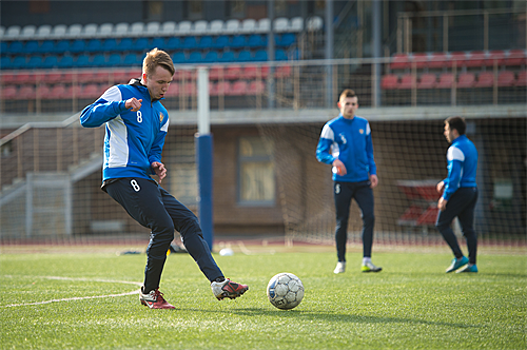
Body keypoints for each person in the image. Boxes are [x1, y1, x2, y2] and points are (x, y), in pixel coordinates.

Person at [80, 48, 248, 309]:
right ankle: (149, 293)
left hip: (142, 178)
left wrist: (155, 164)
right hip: (120, 176)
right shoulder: (121, 93)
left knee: (189, 221)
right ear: (145, 76)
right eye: (160, 82)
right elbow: (86, 118)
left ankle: (218, 282)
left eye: (168, 83)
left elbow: (154, 150)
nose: (165, 88)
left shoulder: (162, 115)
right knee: (163, 227)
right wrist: (120, 106)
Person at [316, 89, 381, 274]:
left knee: (369, 217)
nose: (350, 107)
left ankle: (367, 260)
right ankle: (341, 261)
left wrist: (373, 172)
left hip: (362, 180)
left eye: (353, 104)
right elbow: (320, 152)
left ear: (357, 105)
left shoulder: (364, 124)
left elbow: (369, 152)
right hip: (341, 182)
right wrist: (334, 161)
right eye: (347, 104)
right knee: (341, 221)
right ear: (340, 105)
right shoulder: (331, 127)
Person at [435, 116, 479, 273]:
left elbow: (455, 177)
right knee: (468, 229)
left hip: (460, 191)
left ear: (454, 131)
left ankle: (459, 257)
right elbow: (463, 173)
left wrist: (445, 196)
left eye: (446, 129)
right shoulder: (470, 145)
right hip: (472, 191)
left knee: (441, 223)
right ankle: (472, 264)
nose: (445, 133)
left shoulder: (455, 149)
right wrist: (445, 181)